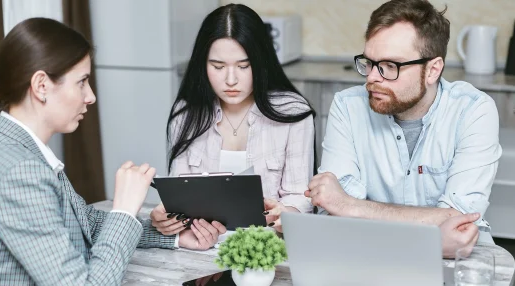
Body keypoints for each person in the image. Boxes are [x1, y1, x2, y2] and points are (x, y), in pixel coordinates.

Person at [0, 18, 224, 285]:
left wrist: (171, 236)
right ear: (41, 86)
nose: (90, 96)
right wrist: (124, 209)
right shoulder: (22, 172)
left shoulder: (13, 143)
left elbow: (83, 222)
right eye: (81, 82)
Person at [305, 0, 501, 258]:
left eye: (390, 67)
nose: (372, 77)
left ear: (432, 70)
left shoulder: (474, 110)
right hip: (367, 253)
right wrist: (429, 233)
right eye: (369, 62)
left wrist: (350, 206)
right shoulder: (347, 107)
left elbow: (459, 220)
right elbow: (334, 213)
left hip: (458, 259)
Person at [150, 3, 316, 240]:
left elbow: (301, 196)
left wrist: (285, 213)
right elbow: (179, 197)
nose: (230, 80)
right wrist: (168, 219)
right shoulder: (186, 113)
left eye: (243, 66)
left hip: (267, 249)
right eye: (218, 66)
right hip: (201, 249)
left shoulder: (293, 112)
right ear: (202, 64)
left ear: (261, 62)